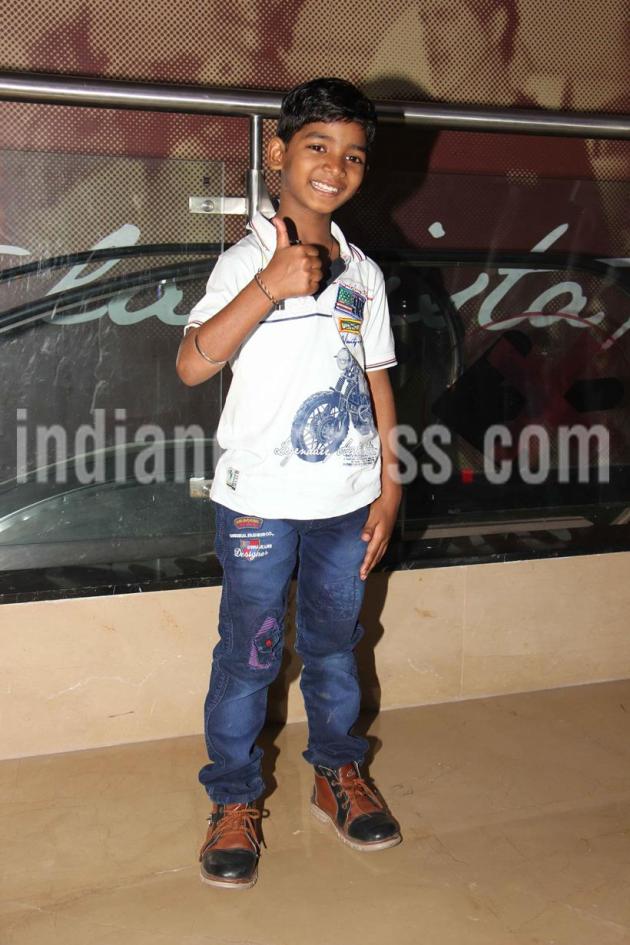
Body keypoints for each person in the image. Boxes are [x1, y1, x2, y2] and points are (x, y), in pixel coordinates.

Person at [176, 77, 402, 890]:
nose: (335, 167)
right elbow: (193, 361)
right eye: (317, 147)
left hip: (345, 506)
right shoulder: (245, 259)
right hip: (262, 505)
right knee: (251, 656)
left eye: (352, 155)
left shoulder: (364, 273)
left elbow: (375, 374)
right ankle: (233, 799)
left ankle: (336, 771)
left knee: (338, 647)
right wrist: (271, 283)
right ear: (277, 154)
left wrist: (390, 478)